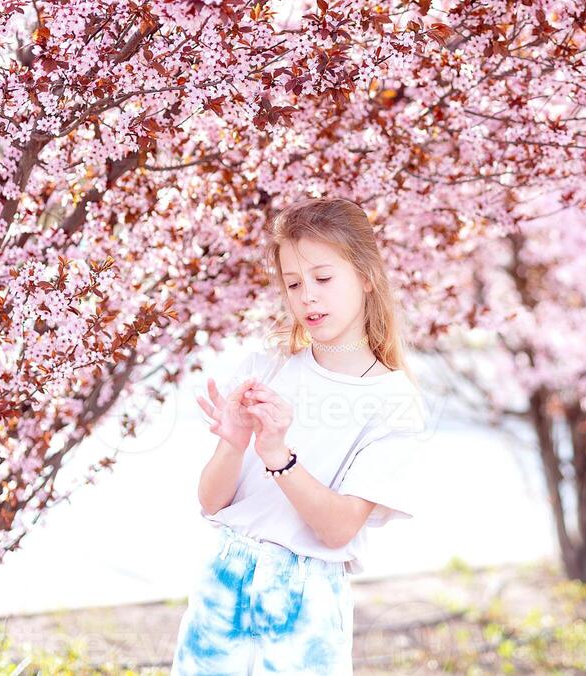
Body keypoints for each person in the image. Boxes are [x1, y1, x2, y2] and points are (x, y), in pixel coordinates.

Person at [170, 197, 428, 675]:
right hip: (223, 584)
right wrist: (233, 442)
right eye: (294, 283)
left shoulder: (393, 401)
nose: (308, 295)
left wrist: (277, 455)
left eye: (324, 279)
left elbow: (337, 529)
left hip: (305, 601)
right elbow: (211, 503)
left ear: (366, 277)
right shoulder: (265, 369)